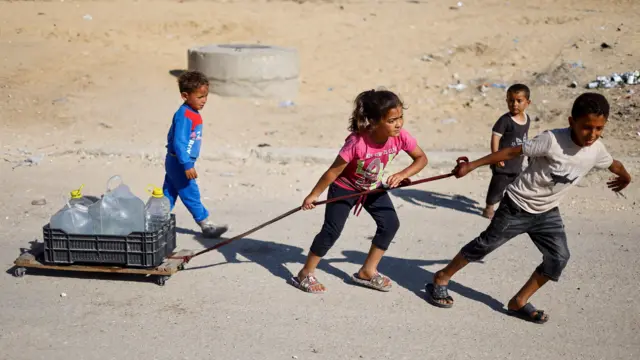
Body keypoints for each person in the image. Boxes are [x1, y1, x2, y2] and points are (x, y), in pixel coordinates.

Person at [425, 92, 631, 324]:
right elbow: (513, 151)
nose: (592, 134)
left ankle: (518, 301)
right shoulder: (552, 140)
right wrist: (471, 165)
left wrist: (626, 177)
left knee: (559, 258)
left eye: (598, 128)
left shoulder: (597, 149)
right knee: (484, 245)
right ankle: (441, 278)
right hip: (517, 205)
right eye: (586, 127)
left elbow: (613, 163)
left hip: (547, 212)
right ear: (572, 121)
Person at [291, 89, 428, 294]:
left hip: (373, 188)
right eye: (392, 120)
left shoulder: (401, 137)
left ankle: (367, 271)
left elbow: (421, 159)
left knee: (390, 224)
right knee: (331, 231)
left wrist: (402, 174)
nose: (399, 124)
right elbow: (333, 172)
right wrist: (314, 195)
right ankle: (305, 273)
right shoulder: (357, 143)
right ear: (373, 121)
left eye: (400, 117)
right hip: (345, 188)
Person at [163, 71, 228, 238]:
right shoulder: (184, 116)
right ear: (185, 96)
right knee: (190, 192)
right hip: (179, 162)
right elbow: (179, 142)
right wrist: (187, 164)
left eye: (206, 96)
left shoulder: (191, 113)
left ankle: (155, 220)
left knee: (169, 193)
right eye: (200, 97)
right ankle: (205, 224)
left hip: (176, 161)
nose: (204, 100)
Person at [483, 83, 531, 219]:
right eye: (511, 100)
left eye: (519, 101)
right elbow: (495, 138)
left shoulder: (527, 119)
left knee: (515, 186)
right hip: (502, 162)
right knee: (497, 185)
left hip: (517, 161)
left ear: (527, 102)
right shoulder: (505, 120)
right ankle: (489, 207)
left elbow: (524, 137)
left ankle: (509, 209)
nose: (514, 104)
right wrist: (496, 157)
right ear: (506, 101)